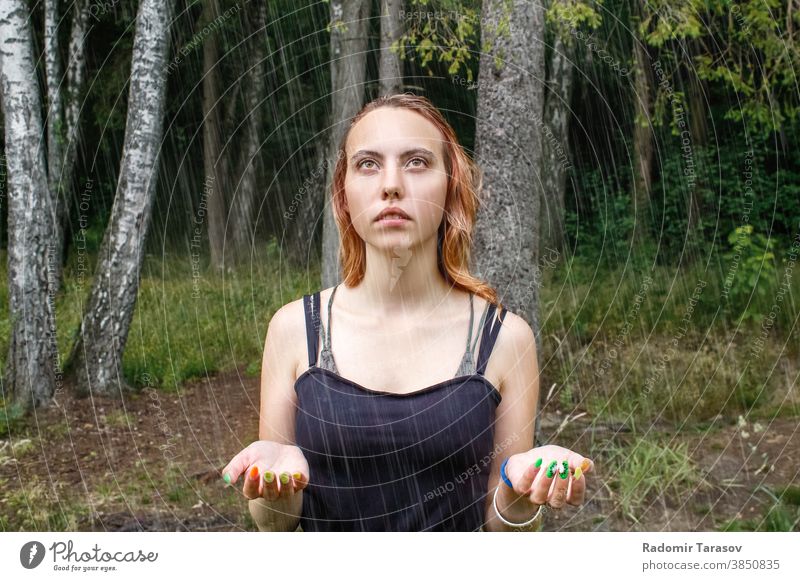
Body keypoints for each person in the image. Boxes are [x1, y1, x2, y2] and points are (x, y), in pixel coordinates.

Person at [222, 93, 593, 532]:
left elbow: (502, 522)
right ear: (344, 195)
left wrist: (522, 487)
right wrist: (278, 488)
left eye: (417, 162)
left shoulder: (506, 339)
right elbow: (276, 524)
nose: (391, 184)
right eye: (368, 164)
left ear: (450, 187)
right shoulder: (294, 330)